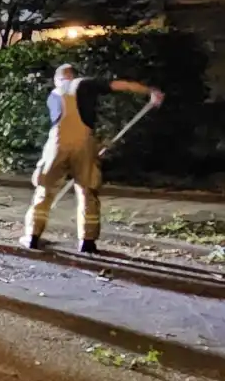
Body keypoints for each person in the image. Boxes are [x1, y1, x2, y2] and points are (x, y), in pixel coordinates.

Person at [20, 63, 163, 253]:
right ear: (73, 75)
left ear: (58, 78)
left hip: (55, 145)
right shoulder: (86, 84)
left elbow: (63, 125)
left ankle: (32, 237)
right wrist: (149, 91)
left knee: (44, 190)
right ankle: (87, 242)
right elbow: (119, 85)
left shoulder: (53, 95)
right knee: (87, 192)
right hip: (84, 144)